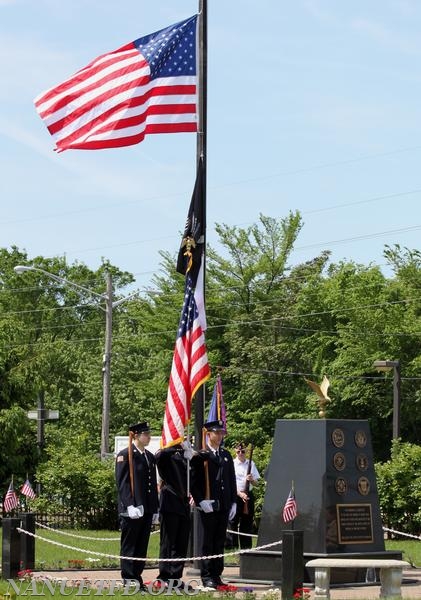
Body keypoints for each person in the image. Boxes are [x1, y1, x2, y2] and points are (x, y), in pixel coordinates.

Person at [190, 419, 237, 590]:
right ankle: (207, 575)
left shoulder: (225, 455)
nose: (219, 435)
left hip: (223, 505)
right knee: (207, 542)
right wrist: (200, 500)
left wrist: (233, 502)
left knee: (219, 541)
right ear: (208, 434)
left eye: (221, 432)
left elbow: (231, 480)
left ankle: (217, 574)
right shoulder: (200, 456)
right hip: (208, 505)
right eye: (216, 432)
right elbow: (193, 482)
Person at [115, 421, 158, 590]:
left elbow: (152, 483)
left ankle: (137, 576)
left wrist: (154, 507)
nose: (148, 437)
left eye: (148, 433)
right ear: (136, 435)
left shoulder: (149, 456)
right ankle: (128, 576)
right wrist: (129, 505)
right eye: (145, 434)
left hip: (146, 509)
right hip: (132, 510)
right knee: (130, 544)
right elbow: (123, 483)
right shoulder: (125, 455)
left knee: (141, 545)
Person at [155, 440, 194, 589]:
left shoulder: (186, 456)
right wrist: (174, 448)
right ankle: (164, 576)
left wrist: (190, 454)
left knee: (181, 543)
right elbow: (158, 456)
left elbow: (193, 477)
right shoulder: (168, 455)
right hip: (170, 502)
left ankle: (176, 577)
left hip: (184, 503)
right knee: (168, 542)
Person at [228, 442, 260, 549]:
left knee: (247, 522)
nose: (240, 453)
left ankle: (246, 548)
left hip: (248, 495)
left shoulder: (251, 464)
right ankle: (233, 547)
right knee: (233, 521)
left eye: (243, 451)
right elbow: (230, 483)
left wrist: (252, 480)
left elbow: (257, 484)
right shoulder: (231, 464)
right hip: (236, 495)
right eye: (238, 451)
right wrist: (240, 493)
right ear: (235, 452)